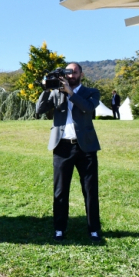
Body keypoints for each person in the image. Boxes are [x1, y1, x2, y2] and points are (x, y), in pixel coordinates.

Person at [36, 62, 102, 243]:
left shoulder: (91, 92)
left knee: (90, 190)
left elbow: (89, 108)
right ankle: (59, 229)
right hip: (62, 147)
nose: (70, 75)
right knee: (60, 191)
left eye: (74, 72)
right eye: (68, 73)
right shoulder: (56, 92)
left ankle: (94, 229)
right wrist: (47, 89)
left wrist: (71, 93)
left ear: (81, 74)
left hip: (86, 147)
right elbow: (39, 110)